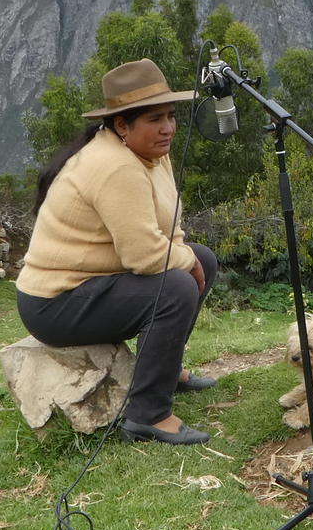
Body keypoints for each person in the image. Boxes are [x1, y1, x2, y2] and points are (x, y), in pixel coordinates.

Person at [15, 59, 220, 445]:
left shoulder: (152, 154)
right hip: (54, 304)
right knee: (175, 288)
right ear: (122, 125)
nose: (168, 128)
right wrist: (184, 260)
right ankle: (148, 415)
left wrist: (188, 255)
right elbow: (143, 258)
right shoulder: (114, 166)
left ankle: (165, 370)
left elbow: (168, 224)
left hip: (94, 283)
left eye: (171, 116)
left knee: (201, 258)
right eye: (155, 118)